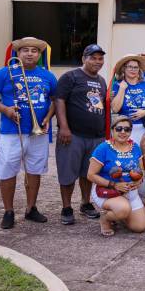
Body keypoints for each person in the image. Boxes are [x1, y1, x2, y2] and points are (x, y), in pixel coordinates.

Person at [0, 36, 57, 229]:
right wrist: (5, 110)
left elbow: (56, 100)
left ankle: (31, 208)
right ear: (18, 53)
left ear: (39, 54)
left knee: (35, 170)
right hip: (11, 132)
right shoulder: (5, 72)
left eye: (34, 50)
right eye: (25, 50)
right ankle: (8, 211)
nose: (30, 53)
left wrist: (48, 118)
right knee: (8, 170)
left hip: (38, 132)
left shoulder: (48, 75)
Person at [54, 44, 107, 225]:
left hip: (96, 137)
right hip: (73, 134)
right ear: (84, 59)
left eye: (100, 58)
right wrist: (63, 127)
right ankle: (66, 207)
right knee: (68, 173)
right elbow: (59, 100)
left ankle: (85, 203)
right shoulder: (71, 76)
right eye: (93, 58)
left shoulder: (101, 81)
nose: (97, 62)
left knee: (87, 173)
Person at [87, 115, 145, 236]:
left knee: (140, 227)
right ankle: (106, 218)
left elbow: (142, 170)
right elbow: (90, 175)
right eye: (119, 128)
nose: (123, 132)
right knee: (123, 209)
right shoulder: (103, 148)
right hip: (108, 191)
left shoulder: (135, 147)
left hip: (130, 192)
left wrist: (139, 180)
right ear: (112, 130)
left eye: (127, 129)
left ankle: (120, 215)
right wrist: (114, 185)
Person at [110, 54, 145, 144]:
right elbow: (115, 109)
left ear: (139, 69)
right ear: (124, 68)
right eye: (130, 67)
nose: (133, 70)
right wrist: (122, 89)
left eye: (136, 67)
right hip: (124, 130)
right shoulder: (117, 85)